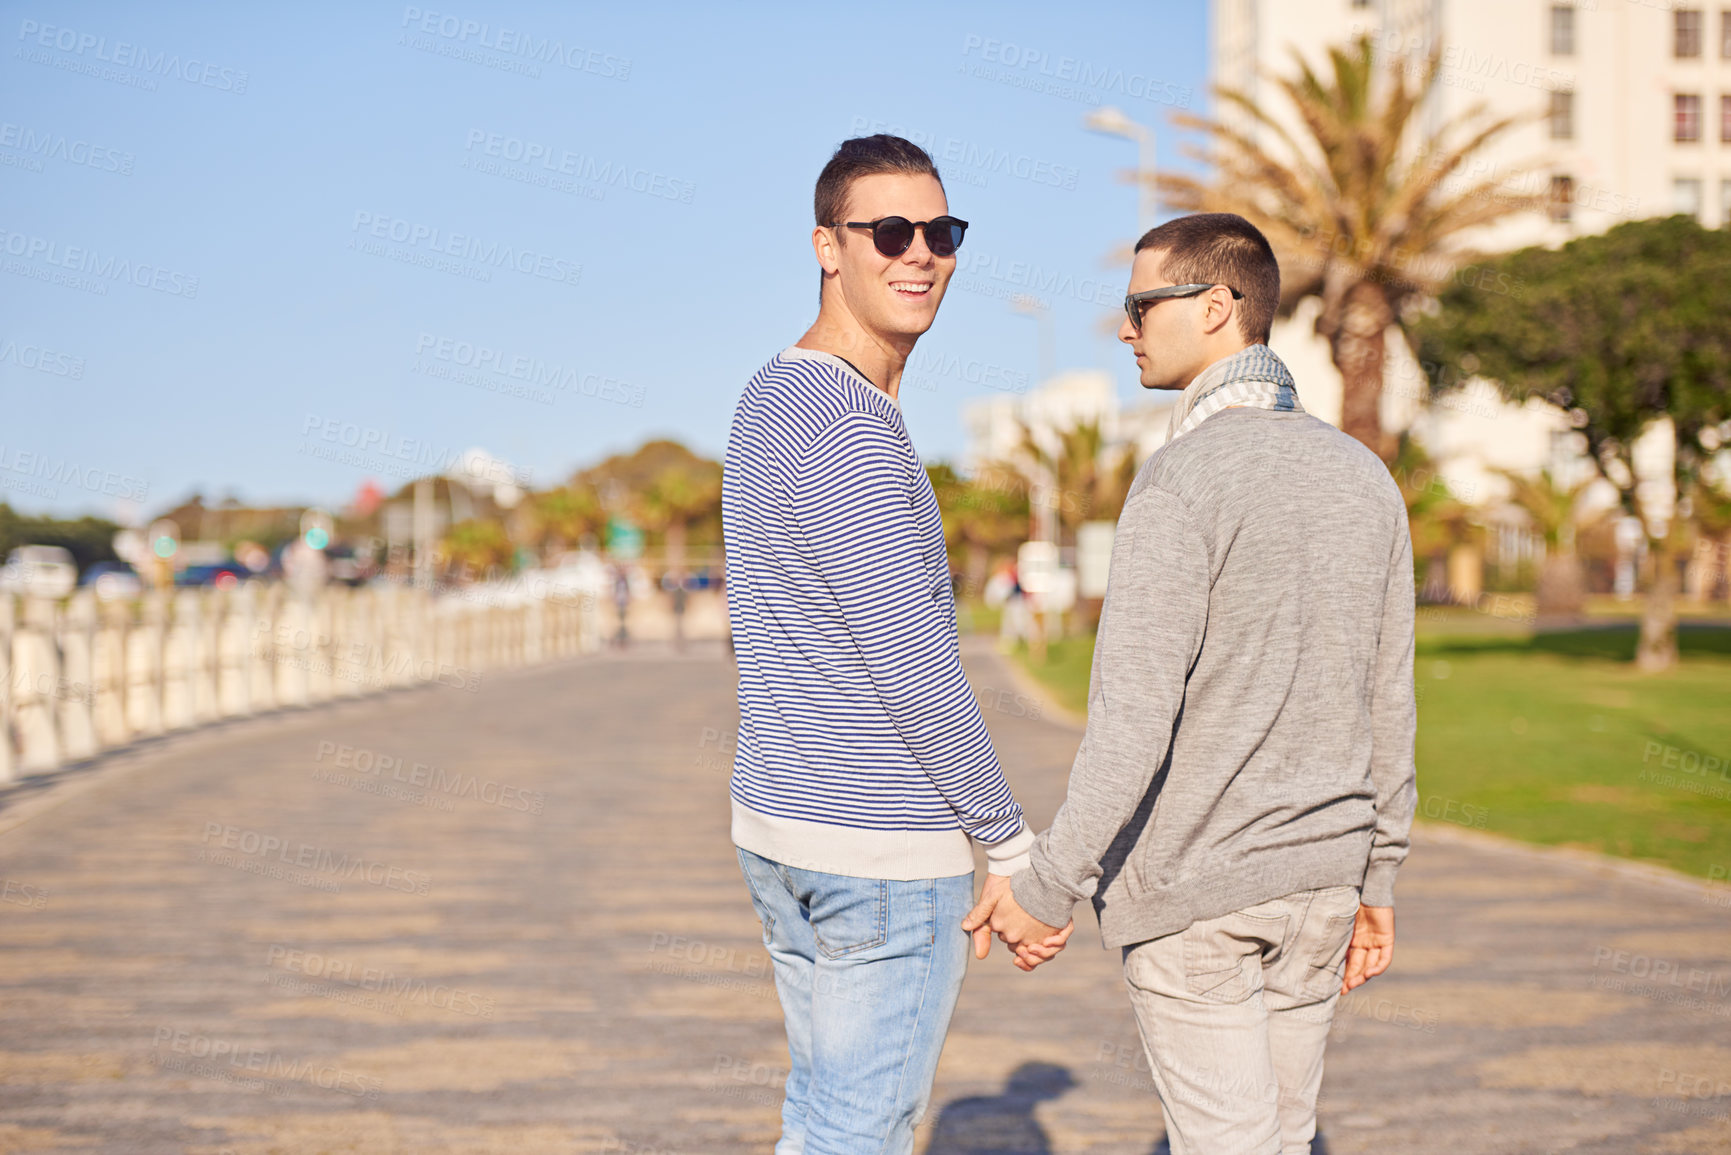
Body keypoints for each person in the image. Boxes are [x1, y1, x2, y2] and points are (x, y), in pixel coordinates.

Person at [964, 212, 1417, 1155]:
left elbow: (1132, 724)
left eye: (1138, 305)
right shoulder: (1364, 477)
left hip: (1197, 894)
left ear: (1216, 306)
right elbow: (1390, 700)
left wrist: (1044, 889)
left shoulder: (1178, 481)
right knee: (1279, 1141)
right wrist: (1377, 872)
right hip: (1322, 883)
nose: (1124, 329)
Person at [721, 134, 1070, 1155]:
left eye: (942, 232)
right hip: (877, 857)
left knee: (821, 1116)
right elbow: (913, 670)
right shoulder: (852, 432)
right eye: (889, 232)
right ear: (829, 246)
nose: (921, 254)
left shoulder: (771, 395)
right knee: (855, 1134)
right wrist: (1009, 847)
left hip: (781, 834)